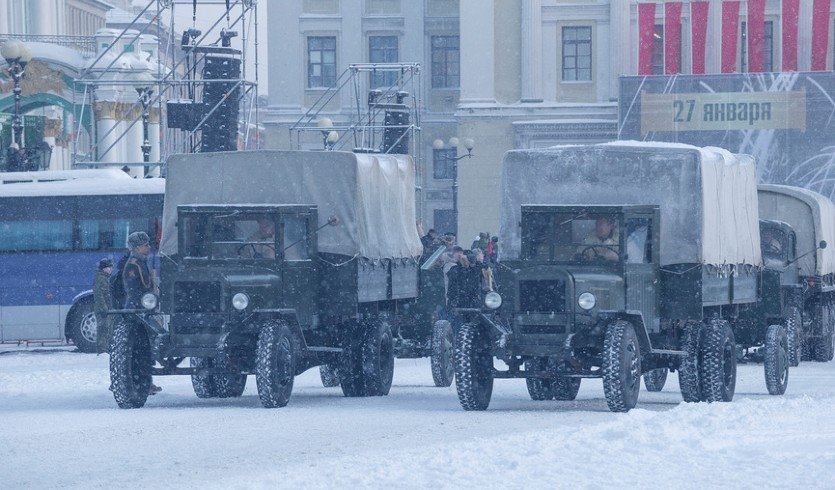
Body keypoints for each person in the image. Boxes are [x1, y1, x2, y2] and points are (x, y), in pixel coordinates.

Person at [122, 231, 162, 395]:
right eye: (145, 245)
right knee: (143, 348)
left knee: (146, 348)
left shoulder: (140, 261)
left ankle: (146, 381)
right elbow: (134, 289)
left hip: (143, 309)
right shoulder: (134, 264)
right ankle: (143, 382)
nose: (149, 247)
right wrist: (145, 303)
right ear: (138, 247)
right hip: (137, 311)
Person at [94, 258, 114, 354]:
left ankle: (105, 349)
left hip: (106, 310)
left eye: (111, 267)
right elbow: (99, 295)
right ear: (103, 269)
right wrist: (105, 308)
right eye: (108, 267)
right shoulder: (100, 278)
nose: (110, 269)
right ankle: (102, 351)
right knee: (103, 329)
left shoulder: (104, 278)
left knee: (107, 329)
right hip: (103, 310)